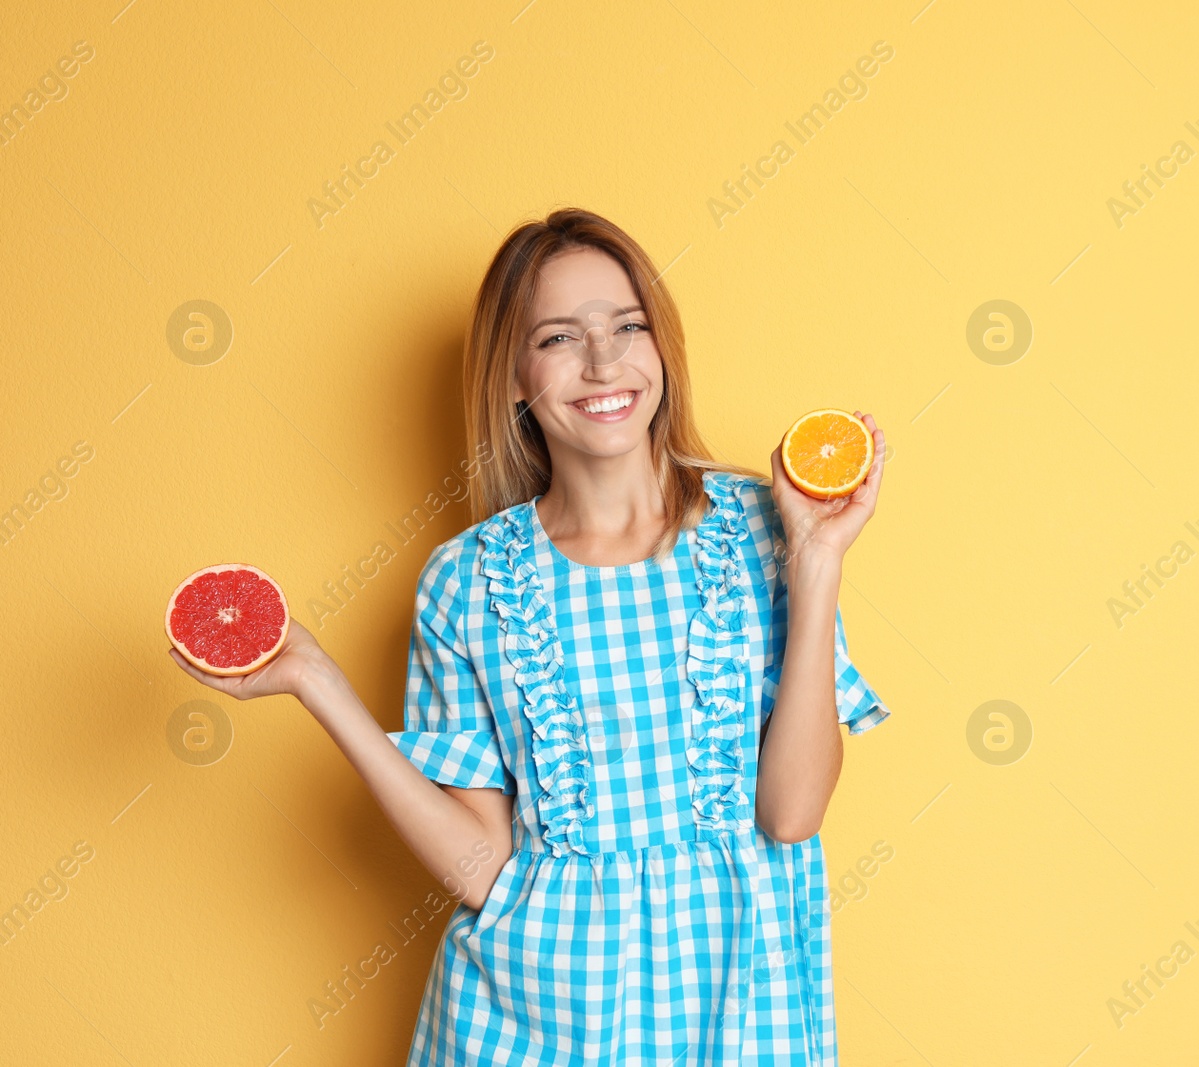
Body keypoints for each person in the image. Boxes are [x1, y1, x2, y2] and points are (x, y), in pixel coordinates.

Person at [169, 207, 892, 1064]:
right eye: (558, 338)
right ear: (514, 376)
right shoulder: (469, 580)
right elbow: (482, 868)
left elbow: (792, 812)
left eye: (628, 326)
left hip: (738, 1011)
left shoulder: (765, 530)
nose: (603, 362)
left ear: (662, 348)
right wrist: (319, 681)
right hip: (537, 1016)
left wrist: (817, 563)